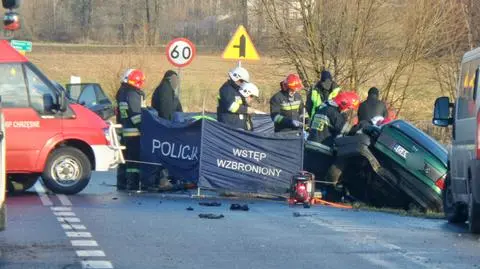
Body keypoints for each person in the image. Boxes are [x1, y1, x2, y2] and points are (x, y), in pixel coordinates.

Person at [115, 68, 146, 191]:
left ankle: (122, 183)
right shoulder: (133, 94)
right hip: (134, 133)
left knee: (125, 160)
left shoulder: (121, 92)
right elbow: (136, 115)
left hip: (124, 131)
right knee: (133, 161)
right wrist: (143, 129)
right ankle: (133, 184)